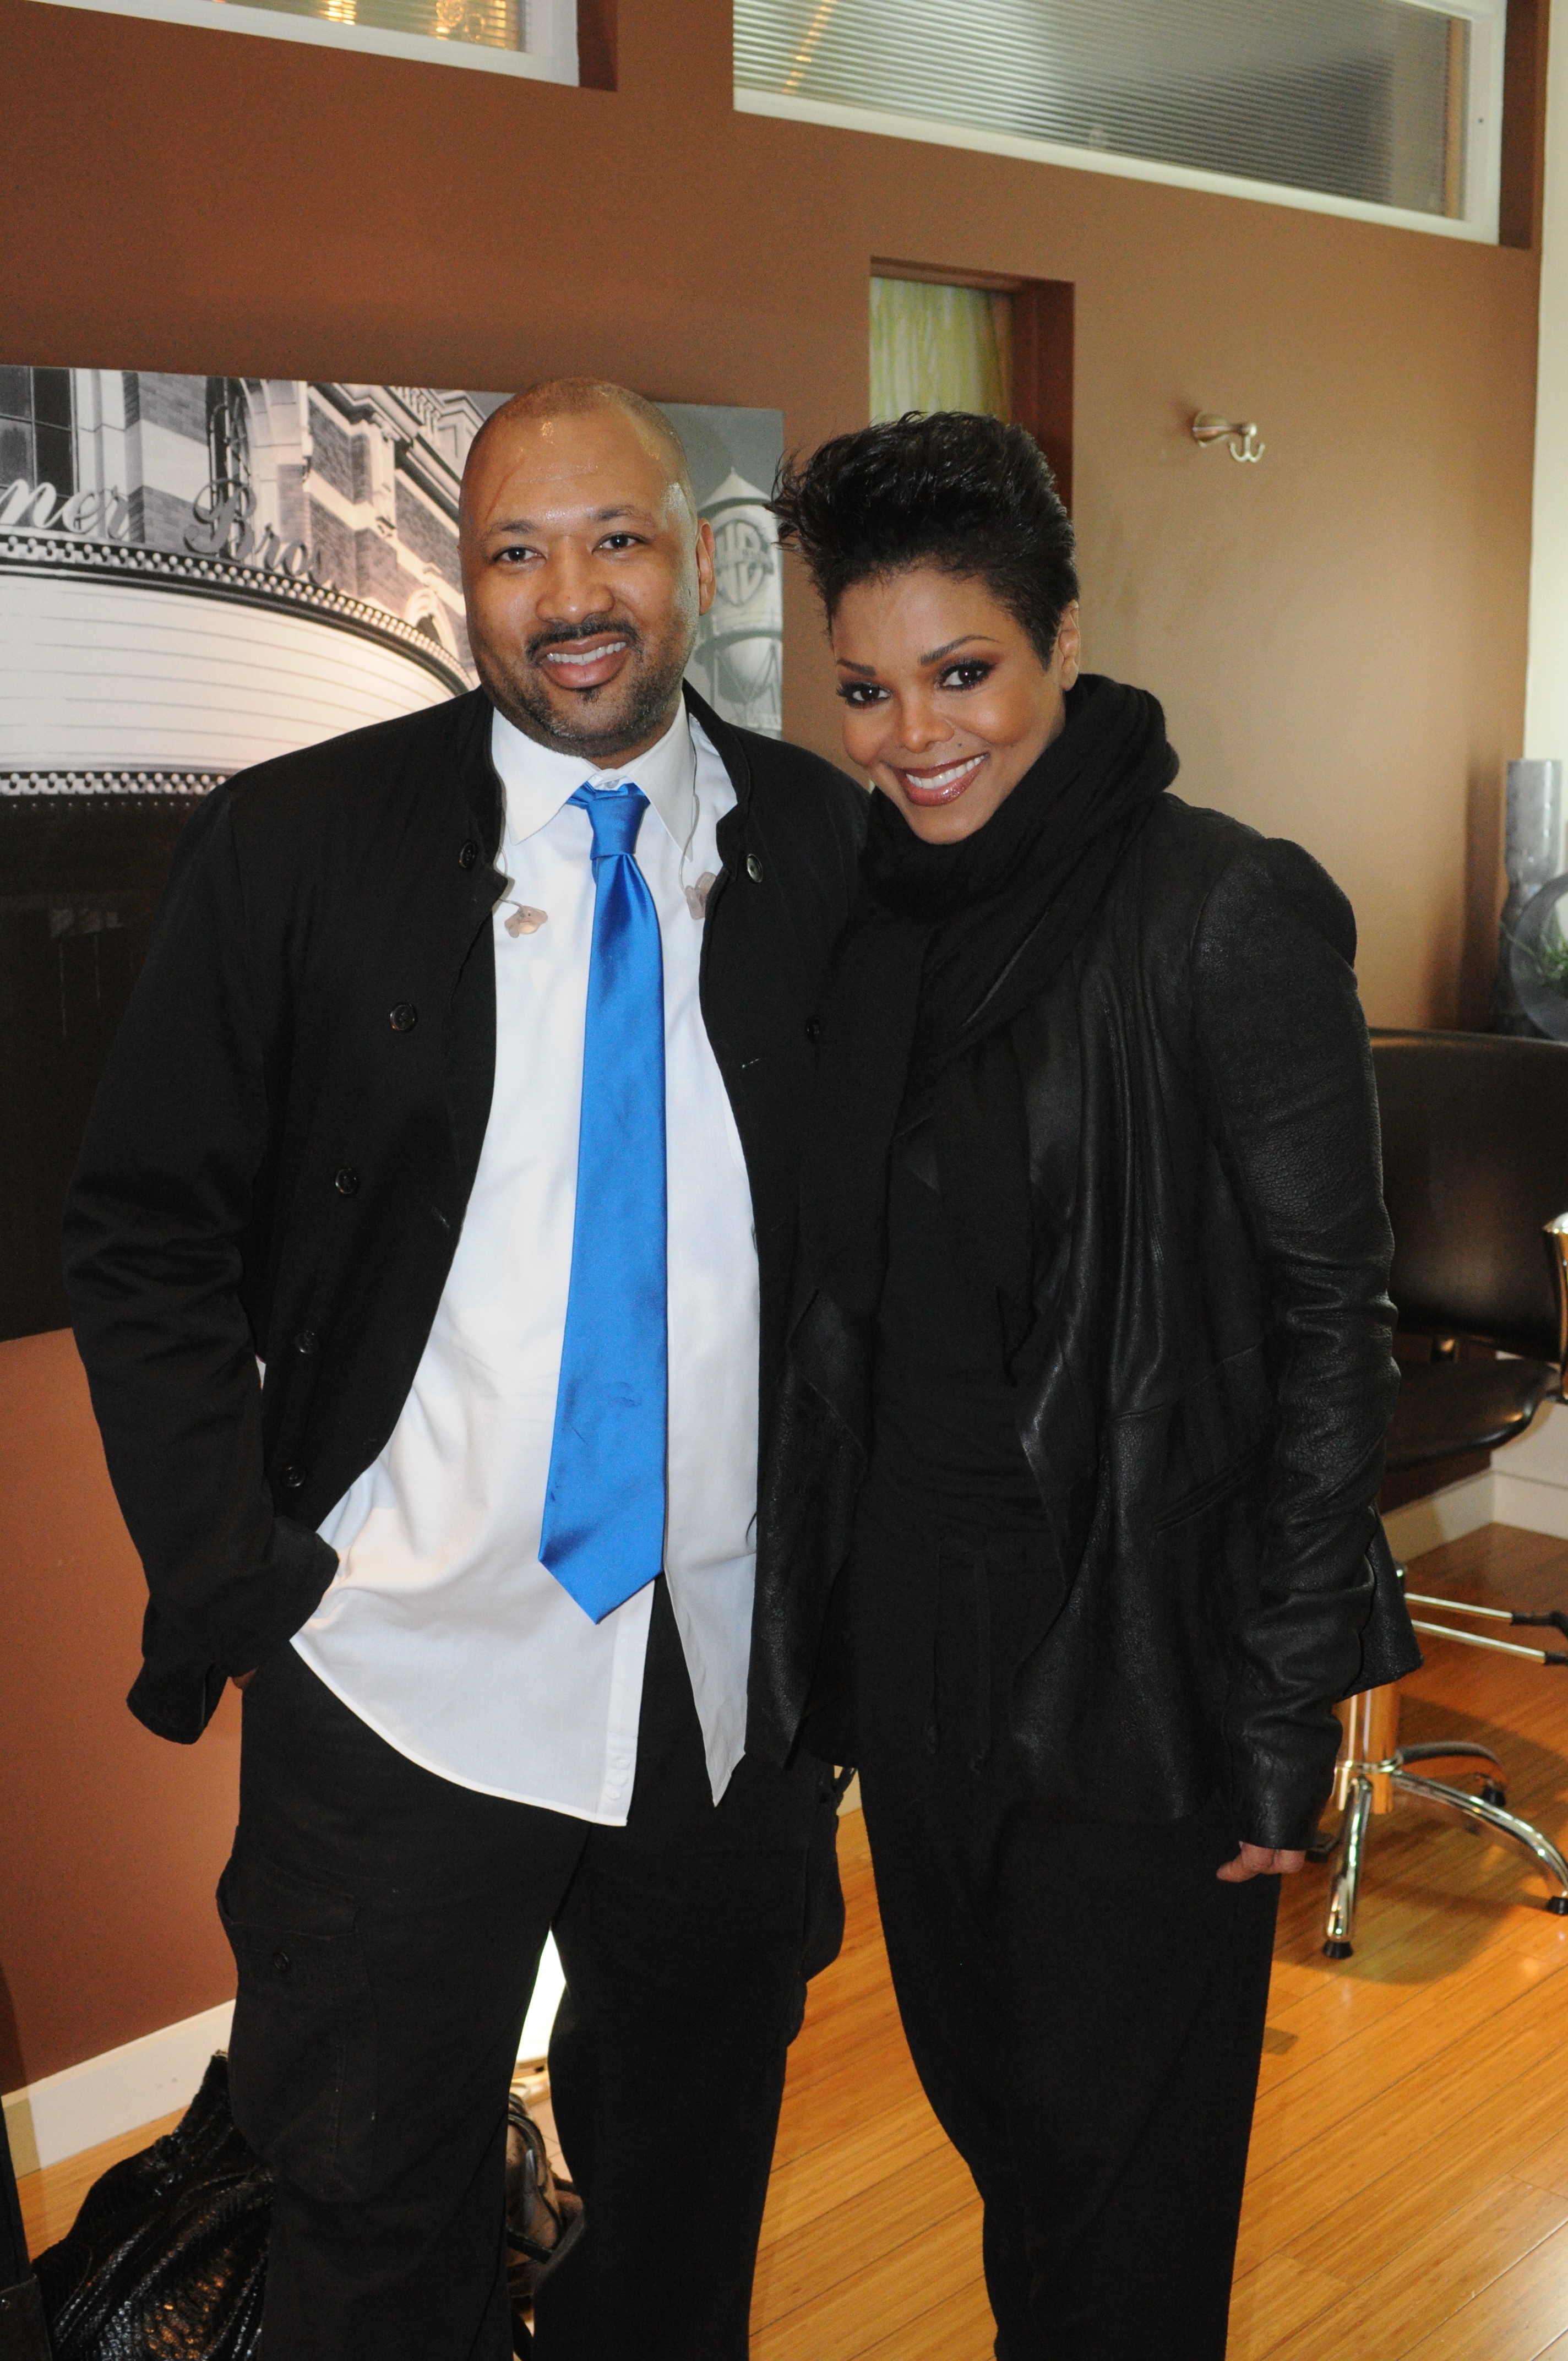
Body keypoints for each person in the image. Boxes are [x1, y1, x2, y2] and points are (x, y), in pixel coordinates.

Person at [62, 379, 864, 2361]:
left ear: (698, 560)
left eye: (616, 540)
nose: (569, 593)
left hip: (717, 1694)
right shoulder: (296, 848)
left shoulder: (833, 860)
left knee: (681, 2227)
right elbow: (143, 1231)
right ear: (461, 581)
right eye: (516, 550)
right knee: (370, 2213)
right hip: (397, 1678)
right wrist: (246, 1575)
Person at [751, 411, 1416, 2359]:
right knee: (1015, 2158)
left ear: (1056, 641)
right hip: (917, 1643)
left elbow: (1329, 1326)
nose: (912, 734)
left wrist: (1285, 1711)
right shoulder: (867, 924)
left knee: (1124, 2219)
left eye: (963, 673)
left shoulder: (1223, 908)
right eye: (866, 688)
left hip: (1141, 1658)